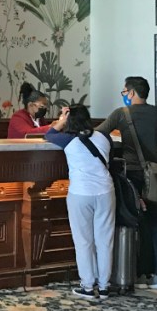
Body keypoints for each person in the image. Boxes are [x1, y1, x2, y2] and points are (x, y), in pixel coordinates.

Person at [95, 76, 157, 290]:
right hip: (156, 176)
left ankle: (130, 273)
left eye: (124, 92)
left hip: (132, 176)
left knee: (129, 222)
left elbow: (98, 133)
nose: (123, 95)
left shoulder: (122, 113)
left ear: (130, 93)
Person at [45, 106, 115, 301]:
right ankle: (104, 287)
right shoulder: (104, 137)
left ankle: (87, 285)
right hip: (106, 192)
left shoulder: (67, 139)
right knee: (105, 240)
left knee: (84, 241)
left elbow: (49, 134)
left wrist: (61, 120)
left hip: (81, 193)